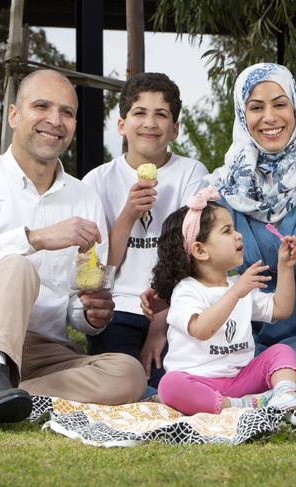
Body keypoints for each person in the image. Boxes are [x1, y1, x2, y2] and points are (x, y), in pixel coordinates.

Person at [0, 69, 146, 424]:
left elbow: (75, 301)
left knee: (129, 374)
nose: (55, 121)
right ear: (14, 115)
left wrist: (89, 316)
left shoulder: (84, 198)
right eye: (41, 106)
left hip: (41, 350)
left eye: (67, 112)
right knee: (15, 265)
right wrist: (33, 239)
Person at [143, 63, 296, 402]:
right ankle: (248, 400)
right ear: (242, 114)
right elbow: (195, 262)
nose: (270, 117)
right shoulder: (217, 190)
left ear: (295, 109)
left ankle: (248, 401)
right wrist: (164, 296)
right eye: (256, 107)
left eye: (280, 104)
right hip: (240, 334)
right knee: (186, 375)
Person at [82, 73, 207, 390]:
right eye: (140, 113)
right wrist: (127, 215)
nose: (149, 123)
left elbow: (193, 258)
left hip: (177, 309)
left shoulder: (191, 174)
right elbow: (98, 272)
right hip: (117, 310)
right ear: (122, 125)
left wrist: (159, 326)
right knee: (123, 384)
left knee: (173, 386)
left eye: (161, 114)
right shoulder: (97, 181)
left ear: (175, 129)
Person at [151, 186, 296, 415]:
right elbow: (201, 329)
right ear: (200, 251)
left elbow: (281, 309)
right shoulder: (187, 291)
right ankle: (243, 405)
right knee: (170, 386)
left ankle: (285, 394)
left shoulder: (238, 285)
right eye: (227, 231)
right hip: (199, 381)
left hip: (240, 379)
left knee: (281, 352)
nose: (238, 235)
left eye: (235, 229)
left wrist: (286, 267)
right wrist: (236, 293)